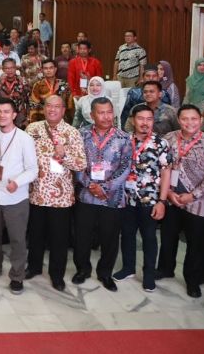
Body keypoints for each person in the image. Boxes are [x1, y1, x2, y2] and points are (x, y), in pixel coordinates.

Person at [157, 104, 204, 298]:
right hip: (171, 199)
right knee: (168, 237)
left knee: (196, 244)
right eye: (185, 119)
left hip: (198, 202)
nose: (189, 123)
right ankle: (165, 269)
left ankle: (192, 280)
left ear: (201, 120)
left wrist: (192, 195)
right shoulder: (168, 139)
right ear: (178, 120)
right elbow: (159, 167)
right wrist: (168, 192)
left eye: (194, 119)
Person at [24, 95, 88, 291]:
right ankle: (33, 267)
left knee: (59, 239)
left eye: (57, 106)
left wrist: (64, 154)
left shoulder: (72, 133)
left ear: (63, 110)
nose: (52, 109)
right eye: (49, 106)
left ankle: (56, 274)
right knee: (34, 235)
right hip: (35, 193)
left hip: (60, 198)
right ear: (44, 108)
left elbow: (81, 164)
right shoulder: (32, 129)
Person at [0, 97, 39, 294]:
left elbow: (33, 169)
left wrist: (17, 182)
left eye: (6, 112)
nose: (2, 115)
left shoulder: (24, 139)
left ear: (14, 115)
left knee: (17, 239)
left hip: (16, 198)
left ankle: (17, 275)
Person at [72, 98, 133, 292]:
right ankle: (82, 269)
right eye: (101, 112)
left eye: (109, 112)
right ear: (92, 115)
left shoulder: (123, 138)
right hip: (86, 195)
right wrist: (90, 184)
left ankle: (105, 273)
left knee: (110, 237)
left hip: (111, 197)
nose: (106, 117)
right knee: (82, 236)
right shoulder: (81, 135)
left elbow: (126, 167)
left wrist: (105, 188)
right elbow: (77, 163)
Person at [114, 103, 170, 292]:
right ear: (132, 120)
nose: (145, 123)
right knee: (127, 234)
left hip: (150, 199)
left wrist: (162, 201)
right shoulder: (123, 140)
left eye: (149, 119)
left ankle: (148, 275)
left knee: (149, 238)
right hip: (126, 198)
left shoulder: (160, 143)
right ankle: (128, 268)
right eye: (140, 118)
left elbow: (166, 173)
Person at [28, 59, 74, 124]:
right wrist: (34, 123)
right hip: (43, 121)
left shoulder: (64, 85)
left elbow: (70, 106)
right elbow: (33, 106)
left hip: (62, 121)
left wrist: (70, 123)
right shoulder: (38, 85)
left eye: (51, 68)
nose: (48, 70)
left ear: (55, 69)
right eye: (45, 68)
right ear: (42, 70)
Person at [0, 58, 30, 128]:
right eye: (7, 68)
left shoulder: (22, 81)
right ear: (3, 69)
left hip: (19, 117)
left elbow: (28, 100)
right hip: (3, 116)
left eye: (12, 68)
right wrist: (0, 84)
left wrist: (28, 117)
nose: (10, 70)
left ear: (15, 68)